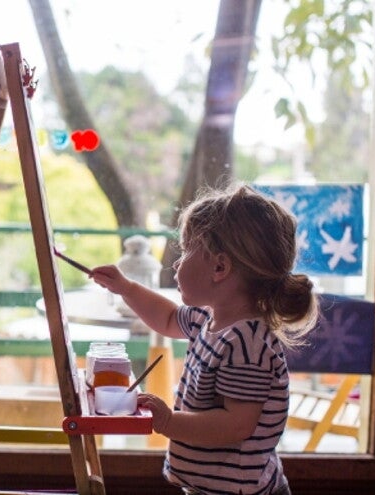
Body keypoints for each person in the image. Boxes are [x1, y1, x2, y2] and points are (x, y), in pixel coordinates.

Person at [90, 184, 319, 495]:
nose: (177, 262)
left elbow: (235, 425)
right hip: (212, 487)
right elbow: (168, 318)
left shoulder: (246, 344)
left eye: (186, 251)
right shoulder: (207, 319)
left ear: (220, 267)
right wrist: (127, 288)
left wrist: (169, 421)